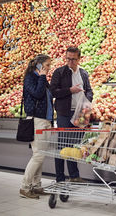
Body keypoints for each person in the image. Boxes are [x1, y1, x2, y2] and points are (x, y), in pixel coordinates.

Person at [50, 46, 93, 183]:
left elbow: (90, 91)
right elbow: (53, 92)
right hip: (64, 113)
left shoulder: (84, 73)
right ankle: (60, 178)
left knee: (75, 146)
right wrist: (70, 90)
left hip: (81, 113)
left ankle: (74, 176)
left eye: (73, 59)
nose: (70, 62)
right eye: (68, 59)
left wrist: (87, 99)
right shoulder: (60, 72)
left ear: (79, 59)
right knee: (62, 146)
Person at [20, 54, 53, 199]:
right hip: (36, 120)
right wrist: (42, 76)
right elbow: (38, 94)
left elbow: (49, 96)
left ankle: (36, 185)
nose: (49, 68)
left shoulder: (41, 79)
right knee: (38, 155)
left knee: (41, 155)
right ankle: (25, 187)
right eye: (47, 65)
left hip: (45, 120)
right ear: (39, 65)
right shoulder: (31, 78)